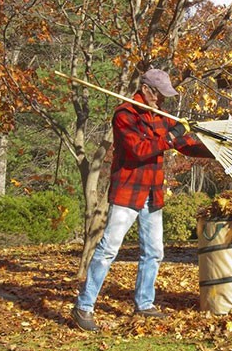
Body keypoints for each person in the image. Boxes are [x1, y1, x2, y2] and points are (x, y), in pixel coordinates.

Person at [71, 69, 213, 331]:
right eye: (160, 95)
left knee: (154, 252)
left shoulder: (160, 114)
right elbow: (139, 150)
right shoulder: (125, 114)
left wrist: (214, 150)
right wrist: (172, 136)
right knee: (108, 250)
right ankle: (83, 306)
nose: (162, 101)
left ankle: (144, 303)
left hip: (152, 192)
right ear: (147, 89)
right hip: (128, 192)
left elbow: (185, 143)